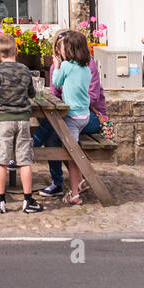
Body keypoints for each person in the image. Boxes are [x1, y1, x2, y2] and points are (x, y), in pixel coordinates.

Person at [35, 30, 108, 199]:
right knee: (53, 131)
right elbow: (55, 93)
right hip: (69, 114)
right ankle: (60, 183)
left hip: (91, 116)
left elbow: (93, 97)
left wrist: (71, 104)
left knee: (54, 134)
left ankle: (32, 151)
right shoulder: (58, 66)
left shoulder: (87, 66)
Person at [0, 33, 42, 213]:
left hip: (3, 120)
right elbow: (32, 93)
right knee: (25, 160)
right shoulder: (24, 69)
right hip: (23, 120)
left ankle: (0, 200)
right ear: (16, 51)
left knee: (1, 160)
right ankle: (28, 199)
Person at [50, 30, 94, 206]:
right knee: (72, 151)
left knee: (72, 156)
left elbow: (56, 82)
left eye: (61, 48)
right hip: (85, 115)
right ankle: (81, 181)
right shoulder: (86, 68)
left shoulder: (67, 66)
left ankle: (74, 193)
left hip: (72, 117)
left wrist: (57, 67)